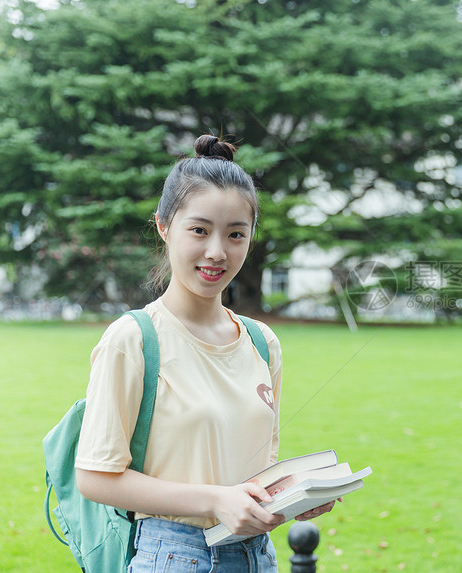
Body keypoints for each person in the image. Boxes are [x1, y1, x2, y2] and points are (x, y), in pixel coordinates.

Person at [75, 135, 334, 572]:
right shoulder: (134, 339)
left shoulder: (261, 341)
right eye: (199, 230)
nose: (217, 252)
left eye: (236, 234)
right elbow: (96, 476)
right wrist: (217, 500)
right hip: (174, 555)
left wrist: (288, 499)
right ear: (164, 226)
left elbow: (253, 472)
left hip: (257, 555)